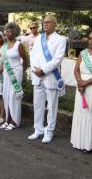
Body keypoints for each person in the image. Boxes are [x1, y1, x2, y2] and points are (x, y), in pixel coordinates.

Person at [28, 15, 66, 143]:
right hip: (37, 76)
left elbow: (58, 59)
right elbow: (32, 55)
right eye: (44, 22)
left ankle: (49, 131)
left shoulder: (61, 39)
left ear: (55, 24)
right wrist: (35, 69)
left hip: (50, 76)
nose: (45, 24)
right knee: (37, 105)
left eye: (48, 22)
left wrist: (43, 70)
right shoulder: (39, 38)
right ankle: (38, 129)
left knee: (51, 106)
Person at [1, 22, 28, 130]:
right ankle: (7, 119)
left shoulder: (19, 45)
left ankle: (15, 121)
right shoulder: (5, 45)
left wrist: (21, 70)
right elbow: (4, 60)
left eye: (9, 31)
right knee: (6, 95)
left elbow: (25, 60)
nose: (7, 33)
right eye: (6, 31)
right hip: (6, 72)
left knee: (14, 96)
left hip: (16, 73)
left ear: (14, 32)